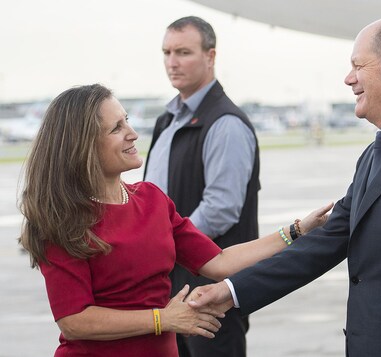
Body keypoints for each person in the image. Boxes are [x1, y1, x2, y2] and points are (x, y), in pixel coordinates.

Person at [189, 14, 381, 356]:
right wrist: (231, 291)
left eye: (358, 65)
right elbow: (325, 241)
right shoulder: (376, 153)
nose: (349, 79)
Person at [18, 84, 332, 357]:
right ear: (83, 145)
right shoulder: (62, 217)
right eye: (116, 128)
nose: (133, 133)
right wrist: (162, 319)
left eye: (126, 120)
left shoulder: (152, 199)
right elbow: (74, 321)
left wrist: (297, 230)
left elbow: (220, 261)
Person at [143, 16, 260, 357]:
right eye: (166, 52)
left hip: (212, 293)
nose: (172, 62)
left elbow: (221, 210)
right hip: (171, 286)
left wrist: (159, 244)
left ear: (210, 57)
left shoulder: (225, 123)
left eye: (183, 52)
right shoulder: (167, 120)